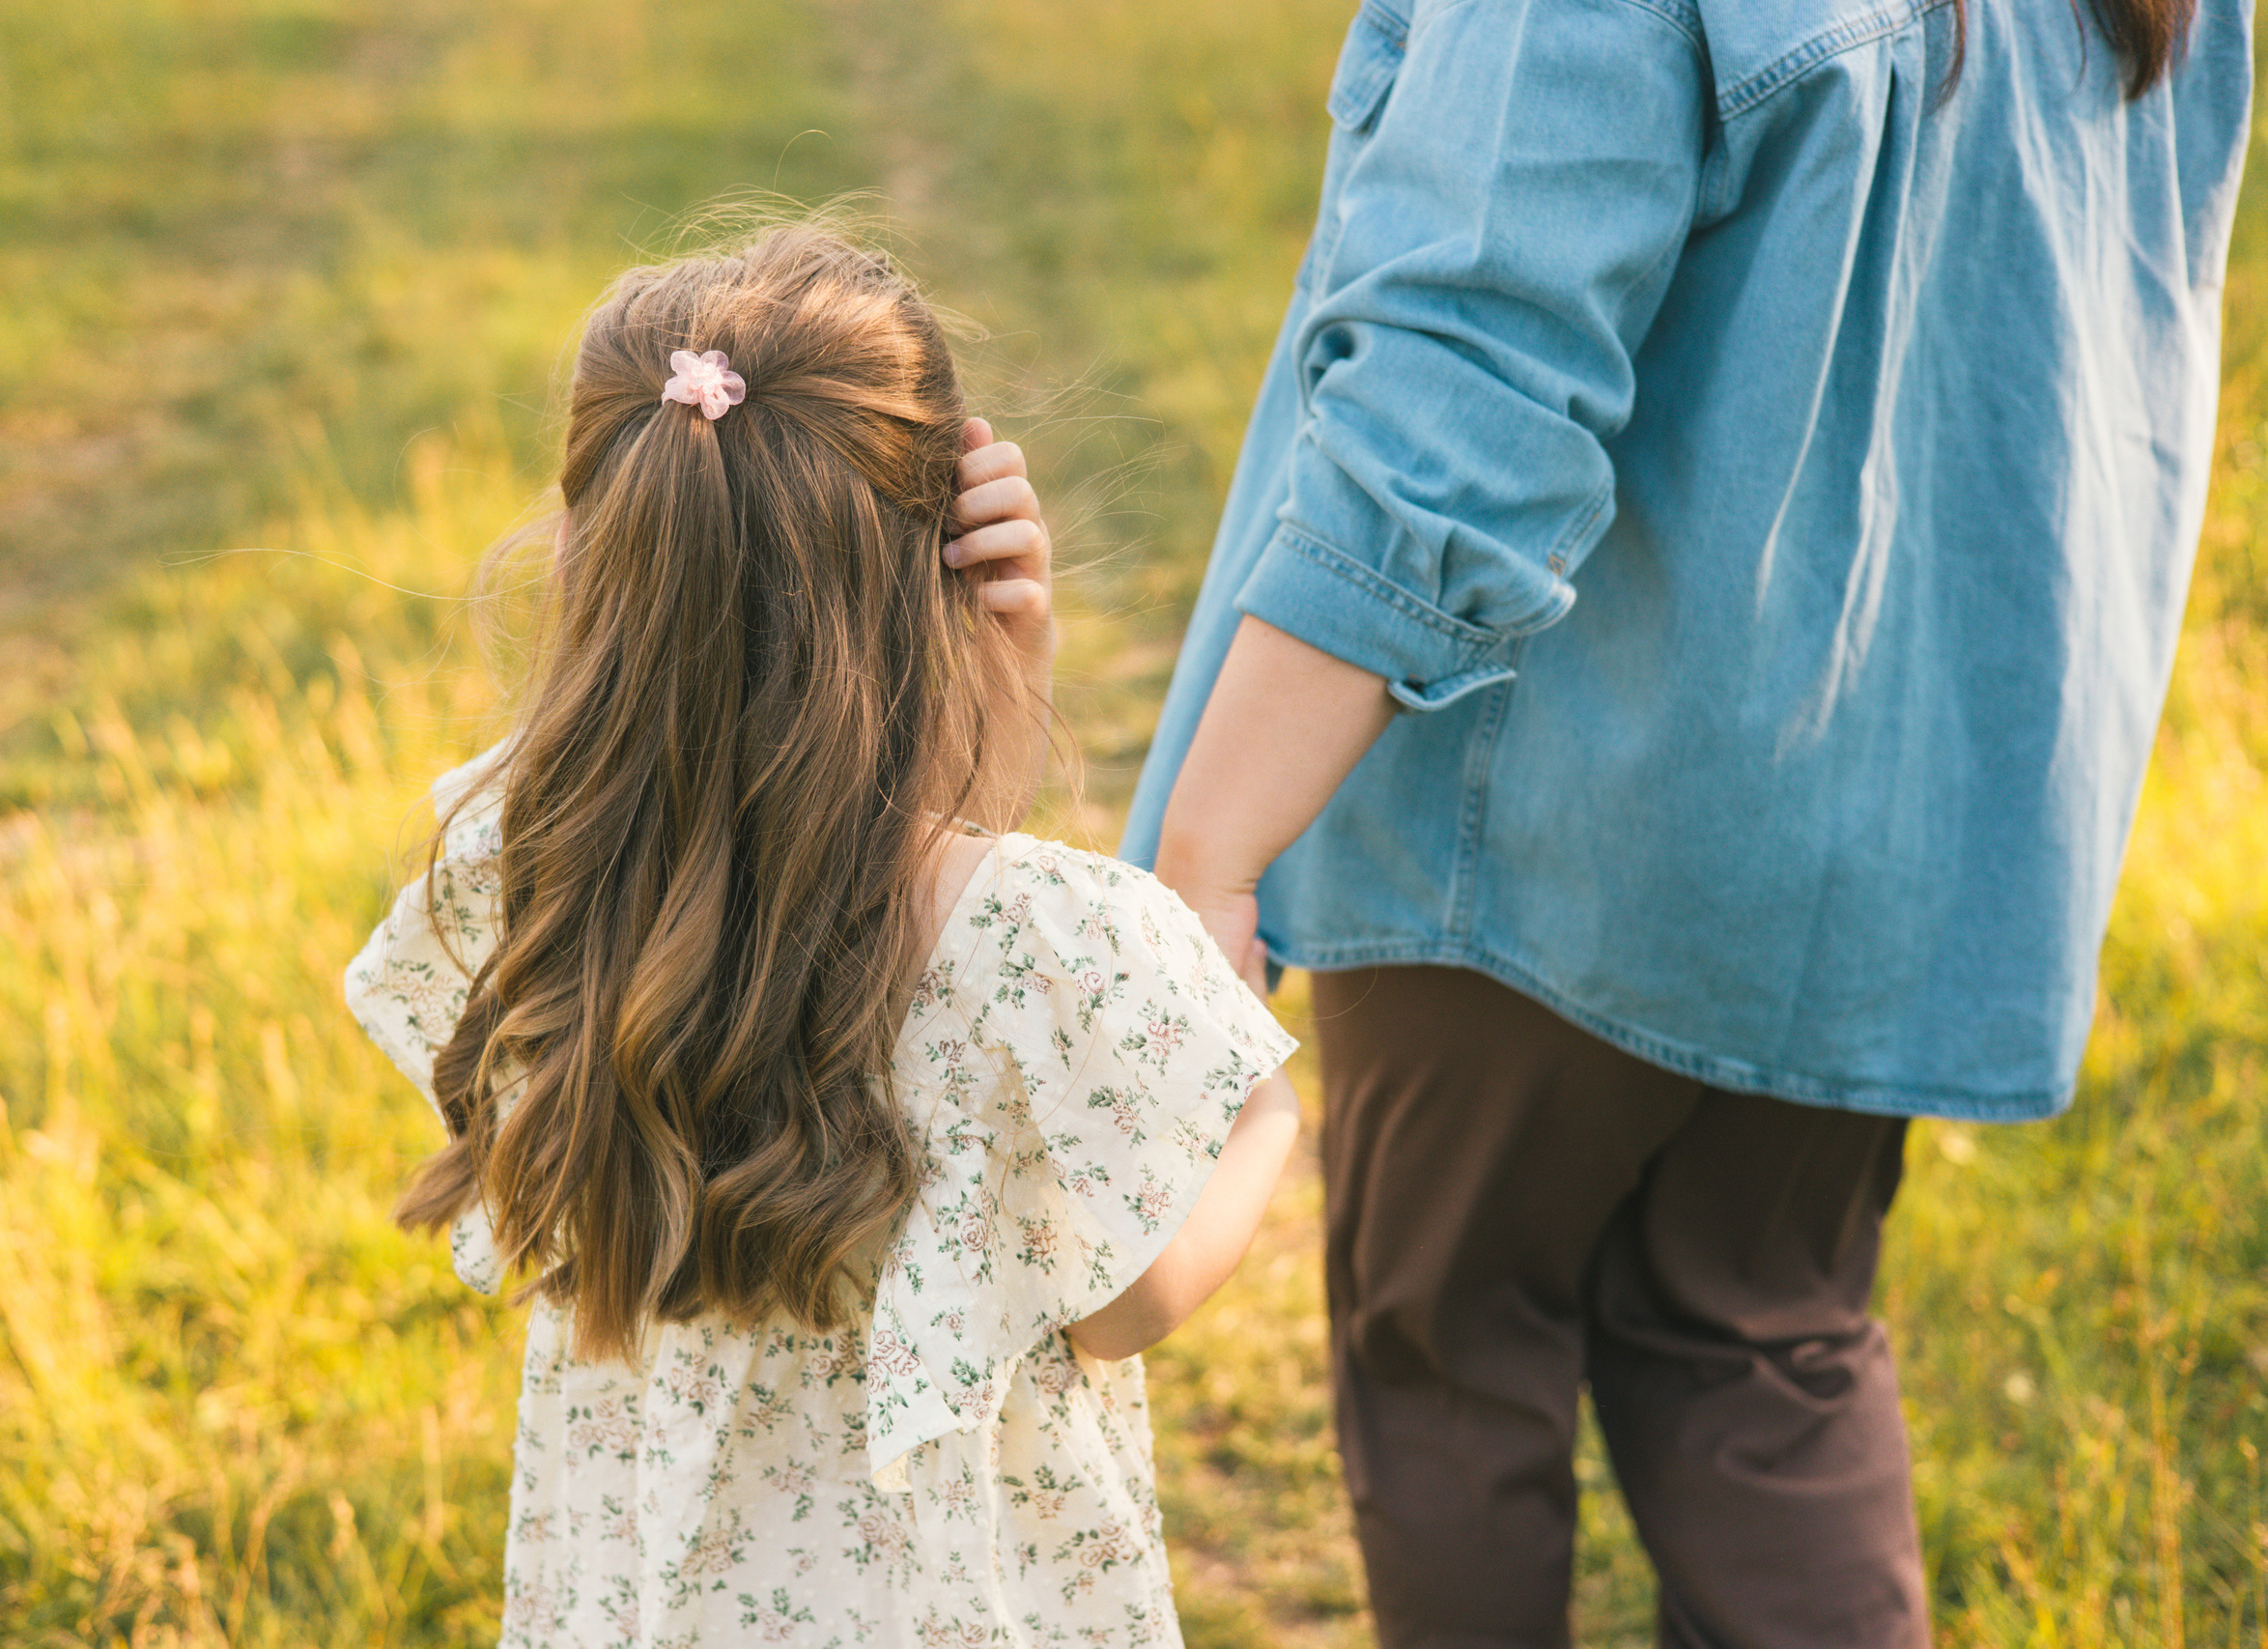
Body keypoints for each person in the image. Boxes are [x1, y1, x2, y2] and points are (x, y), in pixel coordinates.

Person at [1119, 0, 2253, 1643]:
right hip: (1890, 823)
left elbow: (1462, 385)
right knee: (1764, 1357)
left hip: (1539, 824)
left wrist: (1210, 848)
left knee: (1450, 1356)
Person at [342, 226, 1301, 1649]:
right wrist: (1263, 1106)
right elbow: (1125, 1301)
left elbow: (797, 895)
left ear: (593, 558)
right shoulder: (1043, 939)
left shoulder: (518, 862)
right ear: (947, 574)